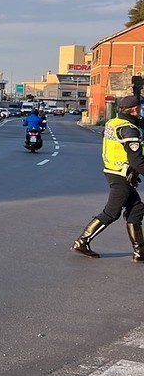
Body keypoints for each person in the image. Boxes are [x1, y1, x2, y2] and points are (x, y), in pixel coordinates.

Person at [72, 95, 144, 262]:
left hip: (114, 171)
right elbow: (137, 161)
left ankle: (140, 252)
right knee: (111, 213)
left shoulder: (113, 123)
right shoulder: (129, 129)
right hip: (121, 174)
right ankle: (82, 241)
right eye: (140, 108)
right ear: (134, 110)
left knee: (136, 209)